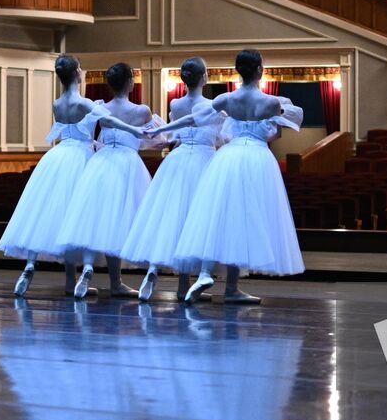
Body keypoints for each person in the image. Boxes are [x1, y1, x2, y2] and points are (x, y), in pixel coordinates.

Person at [156, 49, 305, 304]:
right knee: (243, 218)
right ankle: (232, 287)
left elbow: (194, 118)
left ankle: (205, 271)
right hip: (257, 158)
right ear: (259, 70)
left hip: (230, 156)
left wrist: (162, 128)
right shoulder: (270, 102)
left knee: (220, 215)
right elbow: (288, 122)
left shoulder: (226, 98)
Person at [0, 55, 147, 298]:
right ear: (78, 73)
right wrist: (133, 129)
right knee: (83, 216)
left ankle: (36, 268)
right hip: (82, 158)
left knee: (58, 214)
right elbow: (108, 120)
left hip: (58, 156)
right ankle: (92, 270)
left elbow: (73, 127)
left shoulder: (57, 103)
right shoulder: (85, 103)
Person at [51, 63, 160, 299]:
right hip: (127, 163)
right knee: (120, 220)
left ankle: (86, 269)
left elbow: (103, 135)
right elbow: (146, 140)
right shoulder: (141, 111)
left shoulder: (100, 106)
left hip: (101, 163)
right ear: (131, 82)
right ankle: (116, 281)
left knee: (98, 218)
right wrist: (158, 139)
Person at [120, 57, 225, 302]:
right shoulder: (213, 105)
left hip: (177, 160)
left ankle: (175, 282)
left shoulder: (176, 104)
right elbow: (218, 136)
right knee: (198, 220)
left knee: (174, 218)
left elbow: (175, 131)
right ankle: (197, 279)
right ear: (204, 78)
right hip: (204, 160)